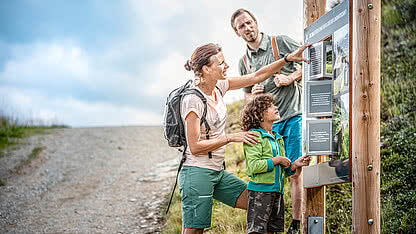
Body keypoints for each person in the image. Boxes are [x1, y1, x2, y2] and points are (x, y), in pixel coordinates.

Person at [179, 42, 310, 233]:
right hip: (196, 172)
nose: (227, 66)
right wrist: (231, 138)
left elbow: (257, 76)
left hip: (217, 171)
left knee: (256, 202)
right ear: (207, 69)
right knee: (195, 231)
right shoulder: (193, 99)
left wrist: (286, 59)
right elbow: (195, 146)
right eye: (221, 63)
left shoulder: (219, 87)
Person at [231, 9, 305, 233]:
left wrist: (290, 77)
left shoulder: (279, 42)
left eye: (249, 22)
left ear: (256, 22)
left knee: (294, 172)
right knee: (274, 173)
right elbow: (245, 97)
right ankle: (273, 222)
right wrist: (252, 94)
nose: (247, 28)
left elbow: (310, 61)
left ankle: (296, 223)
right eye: (241, 26)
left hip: (291, 115)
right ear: (237, 32)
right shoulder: (243, 62)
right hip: (266, 128)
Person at [240, 94, 311, 234]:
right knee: (257, 231)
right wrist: (277, 159)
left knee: (275, 231)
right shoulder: (254, 136)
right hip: (260, 193)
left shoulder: (278, 138)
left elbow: (283, 171)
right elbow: (253, 166)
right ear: (259, 115)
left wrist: (295, 164)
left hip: (277, 193)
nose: (276, 107)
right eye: (270, 106)